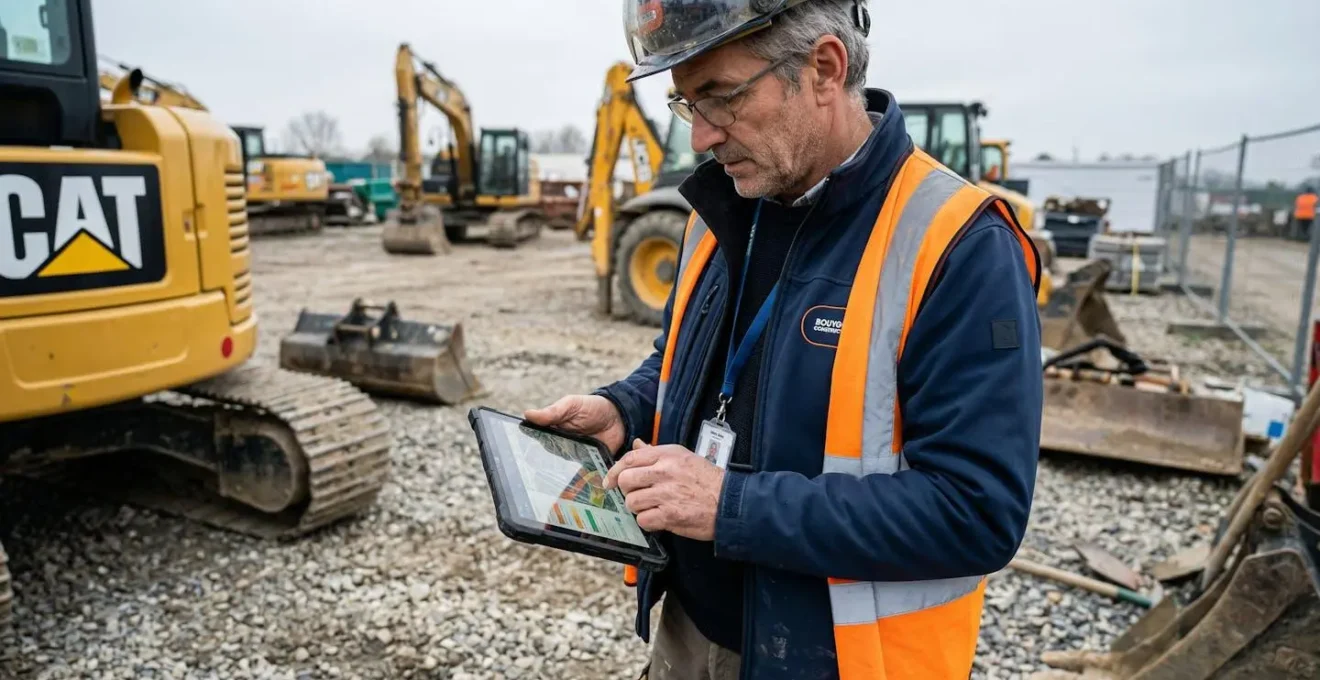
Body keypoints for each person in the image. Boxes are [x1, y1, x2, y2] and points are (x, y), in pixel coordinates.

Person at [526, 1, 1043, 678]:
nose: (701, 138)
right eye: (687, 104)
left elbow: (976, 512)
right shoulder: (721, 212)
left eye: (720, 97)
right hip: (690, 635)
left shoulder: (960, 247)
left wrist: (728, 505)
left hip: (840, 663)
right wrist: (624, 408)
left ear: (824, 68)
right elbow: (689, 364)